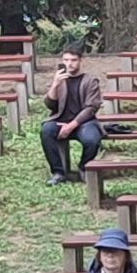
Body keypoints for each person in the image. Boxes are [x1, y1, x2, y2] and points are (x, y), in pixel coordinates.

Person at [37, 49, 103, 183]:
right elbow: (50, 105)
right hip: (60, 120)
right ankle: (58, 172)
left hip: (84, 122)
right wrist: (55, 85)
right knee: (47, 131)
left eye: (73, 60)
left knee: (92, 140)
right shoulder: (60, 79)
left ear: (80, 61)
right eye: (66, 60)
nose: (69, 63)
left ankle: (84, 167)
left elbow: (91, 108)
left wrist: (72, 125)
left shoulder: (91, 81)